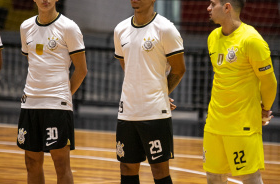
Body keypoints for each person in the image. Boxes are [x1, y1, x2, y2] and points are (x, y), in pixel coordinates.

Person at [203, 0, 277, 183]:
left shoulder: (251, 40)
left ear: (227, 7)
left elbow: (269, 82)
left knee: (249, 177)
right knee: (214, 177)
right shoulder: (213, 37)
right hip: (214, 123)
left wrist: (265, 108)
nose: (208, 8)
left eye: (213, 4)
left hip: (242, 126)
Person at [114, 0, 186, 183]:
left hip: (155, 113)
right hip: (127, 111)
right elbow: (127, 66)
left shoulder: (166, 29)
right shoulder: (120, 29)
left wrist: (161, 93)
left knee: (159, 170)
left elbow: (179, 69)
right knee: (127, 166)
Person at [16, 0, 87, 183]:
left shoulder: (68, 27)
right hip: (30, 102)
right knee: (31, 162)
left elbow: (81, 70)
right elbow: (33, 60)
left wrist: (63, 95)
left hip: (57, 105)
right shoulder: (26, 27)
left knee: (61, 164)